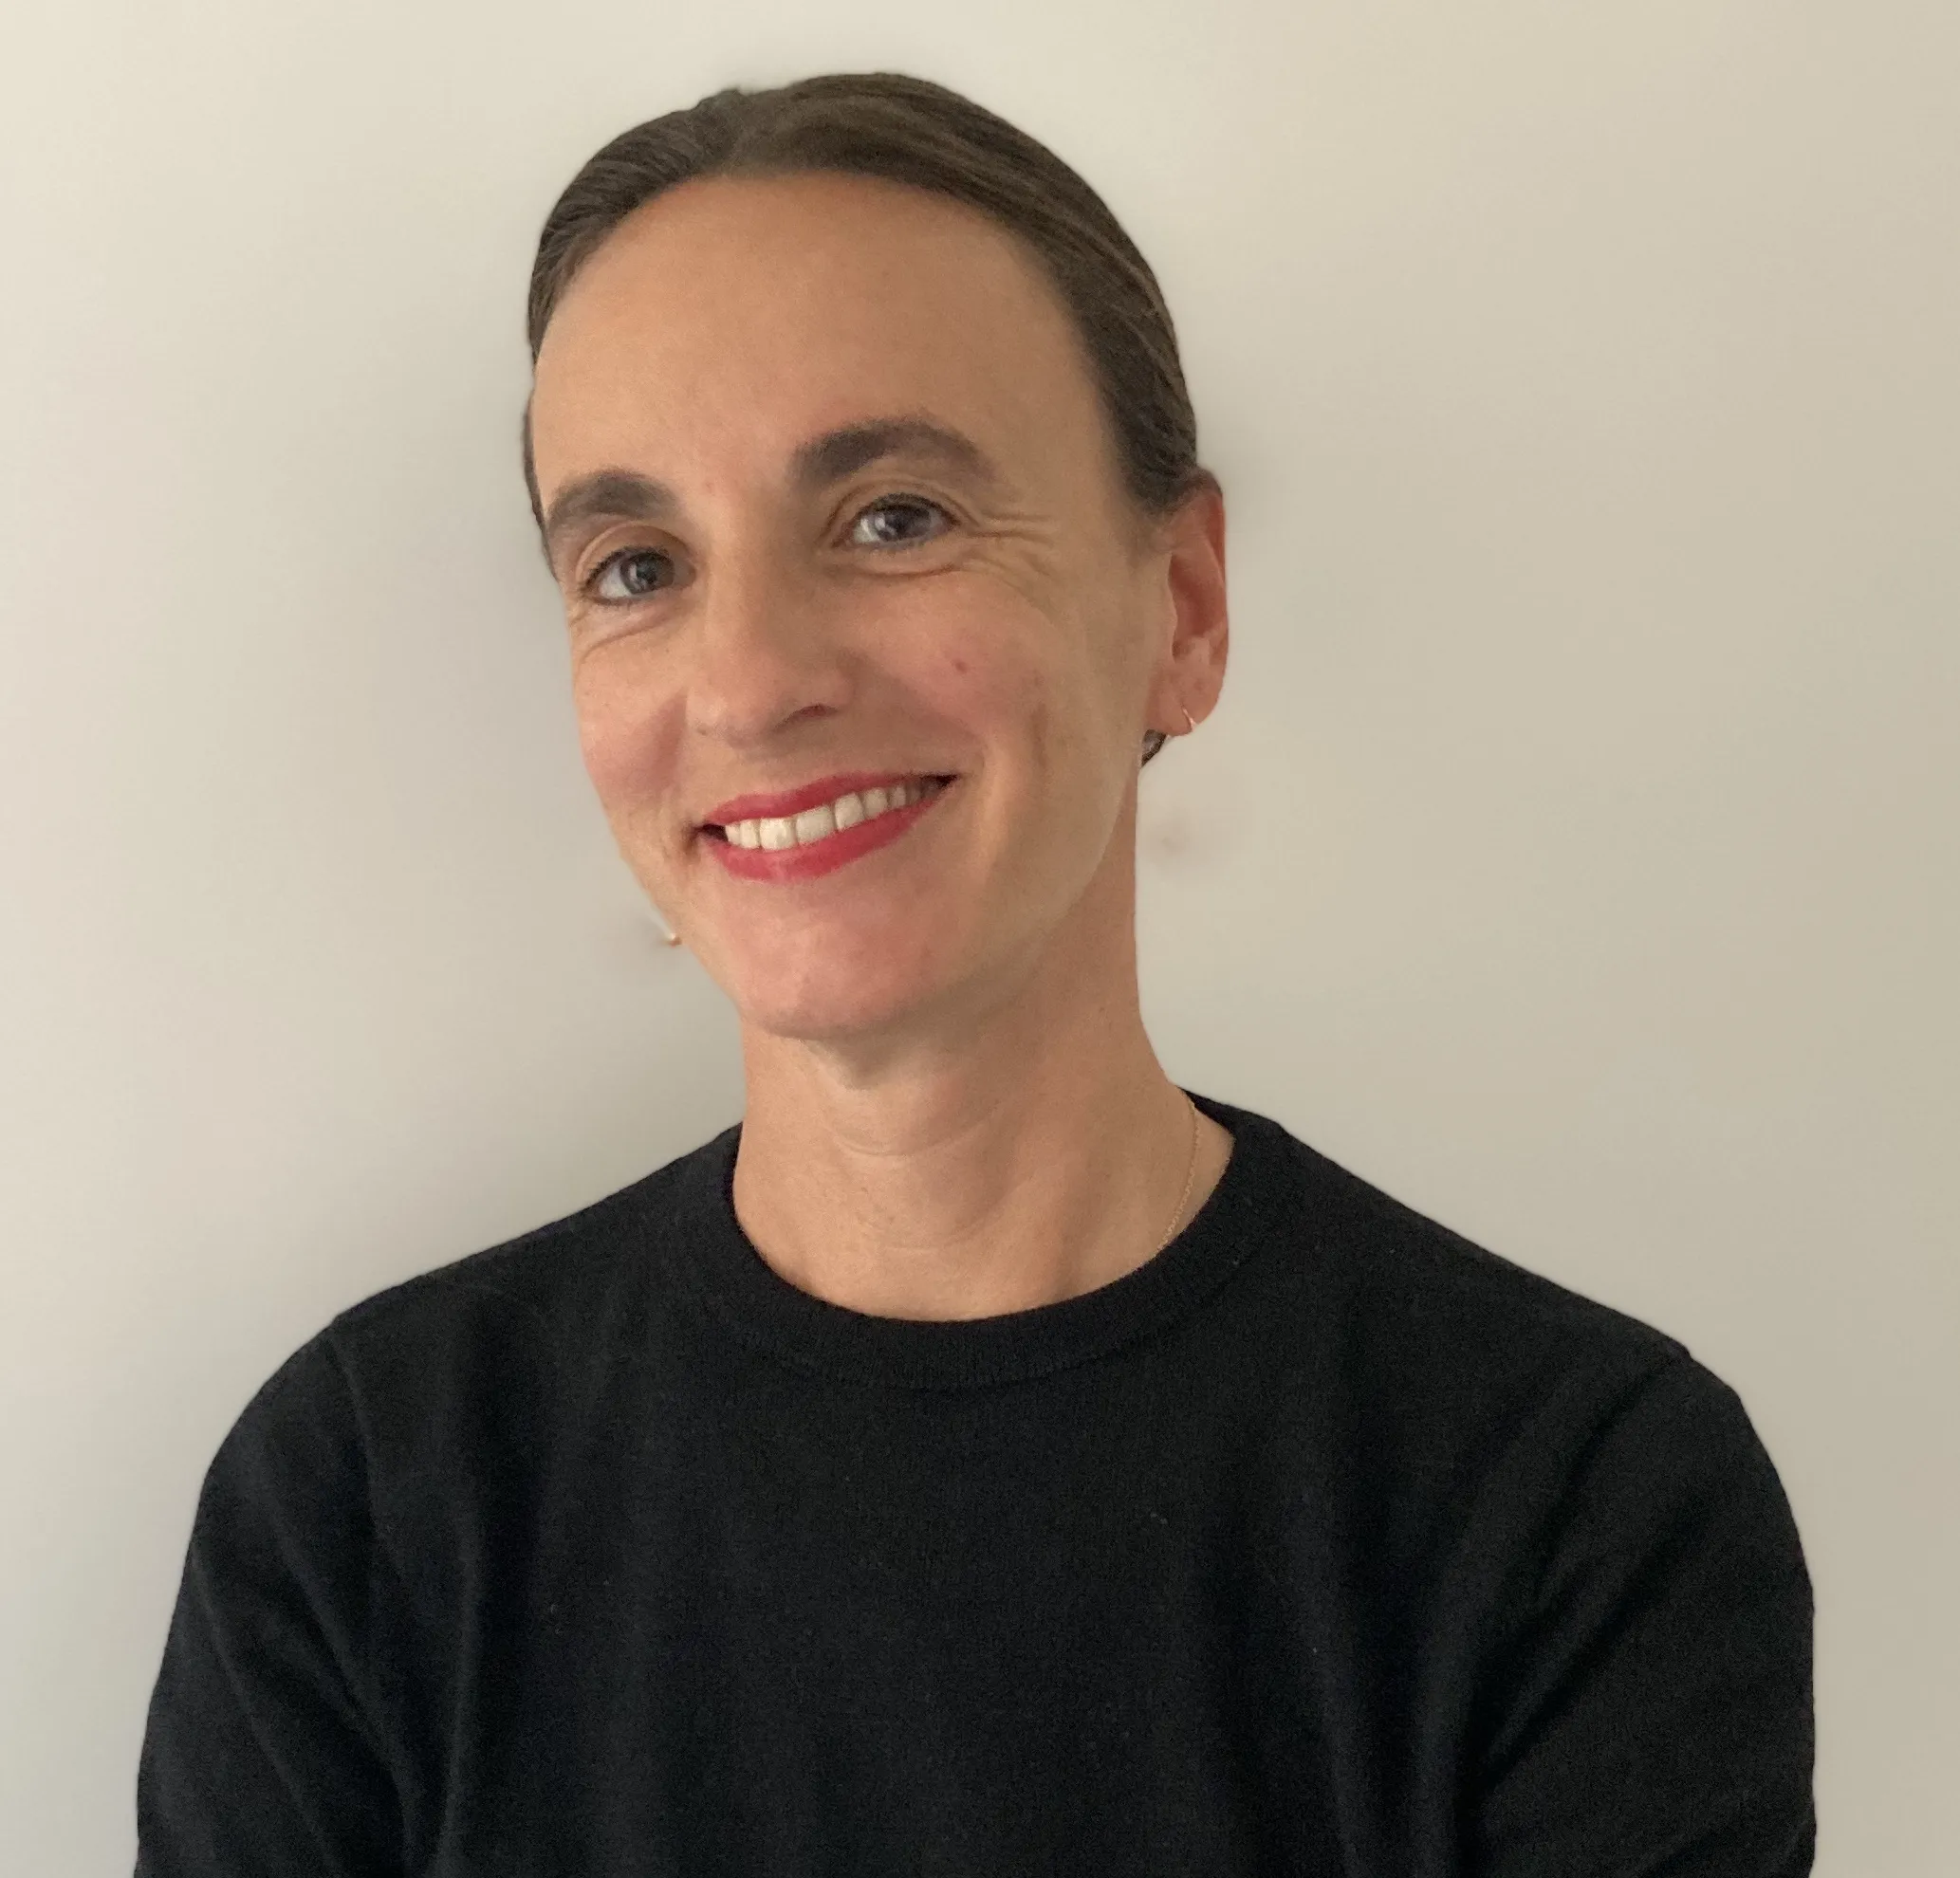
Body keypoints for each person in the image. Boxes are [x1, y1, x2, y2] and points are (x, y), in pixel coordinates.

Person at [135, 71, 1814, 1876]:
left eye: (894, 517)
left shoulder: (1570, 1506)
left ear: (1180, 607)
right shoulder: (366, 1502)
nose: (749, 681)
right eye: (635, 566)